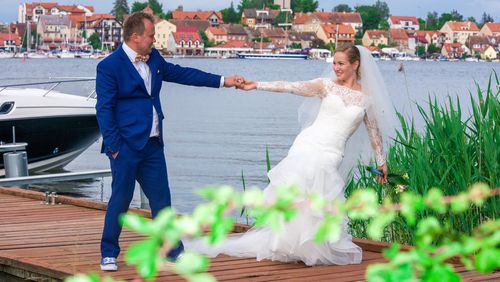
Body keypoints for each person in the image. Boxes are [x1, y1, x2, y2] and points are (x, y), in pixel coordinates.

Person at [187, 45, 396, 266]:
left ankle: (308, 247)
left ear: (356, 64)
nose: (336, 68)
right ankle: (286, 244)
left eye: (341, 63)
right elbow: (290, 87)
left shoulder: (366, 98)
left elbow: (374, 131)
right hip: (308, 144)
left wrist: (381, 161)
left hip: (333, 152)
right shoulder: (325, 86)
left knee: (317, 198)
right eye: (334, 63)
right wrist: (256, 85)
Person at [95, 12, 244, 271]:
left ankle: (174, 252)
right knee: (120, 199)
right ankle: (108, 252)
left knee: (162, 201)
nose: (154, 40)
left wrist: (223, 81)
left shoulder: (154, 58)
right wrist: (114, 147)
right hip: (126, 146)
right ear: (135, 37)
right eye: (151, 35)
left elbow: (183, 74)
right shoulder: (109, 66)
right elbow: (104, 109)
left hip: (153, 144)